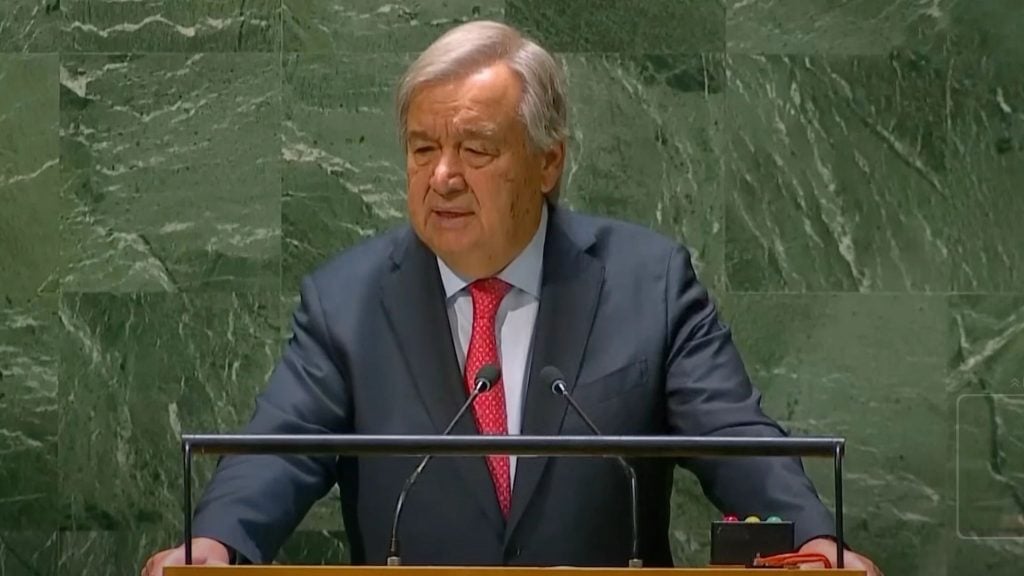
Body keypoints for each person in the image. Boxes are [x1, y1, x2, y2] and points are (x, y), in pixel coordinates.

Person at [143, 20, 881, 575]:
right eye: (423, 149)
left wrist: (814, 539)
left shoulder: (646, 283)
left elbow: (732, 438)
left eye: (476, 149)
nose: (442, 177)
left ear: (548, 161)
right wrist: (215, 546)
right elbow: (277, 453)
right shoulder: (348, 301)